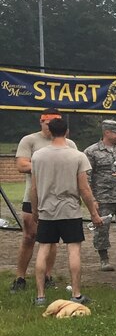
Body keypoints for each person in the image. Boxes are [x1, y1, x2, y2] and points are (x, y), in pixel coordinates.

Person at [28, 113, 104, 307]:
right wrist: (94, 213)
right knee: (74, 251)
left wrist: (35, 211)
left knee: (43, 249)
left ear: (50, 132)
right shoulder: (77, 156)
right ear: (67, 132)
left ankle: (40, 296)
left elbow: (34, 189)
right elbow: (84, 189)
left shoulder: (37, 156)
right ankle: (76, 294)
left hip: (46, 210)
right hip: (70, 210)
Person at [10, 110, 76, 294]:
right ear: (41, 122)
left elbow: (75, 166)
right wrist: (49, 164)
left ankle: (47, 276)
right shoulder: (30, 140)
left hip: (58, 197)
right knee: (29, 237)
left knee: (51, 240)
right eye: (47, 123)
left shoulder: (69, 143)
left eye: (54, 123)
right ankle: (20, 277)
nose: (50, 127)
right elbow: (21, 165)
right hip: (33, 195)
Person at [83, 118, 116, 272]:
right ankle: (104, 259)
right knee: (102, 229)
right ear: (107, 132)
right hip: (103, 197)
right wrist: (92, 200)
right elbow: (86, 178)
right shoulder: (91, 152)